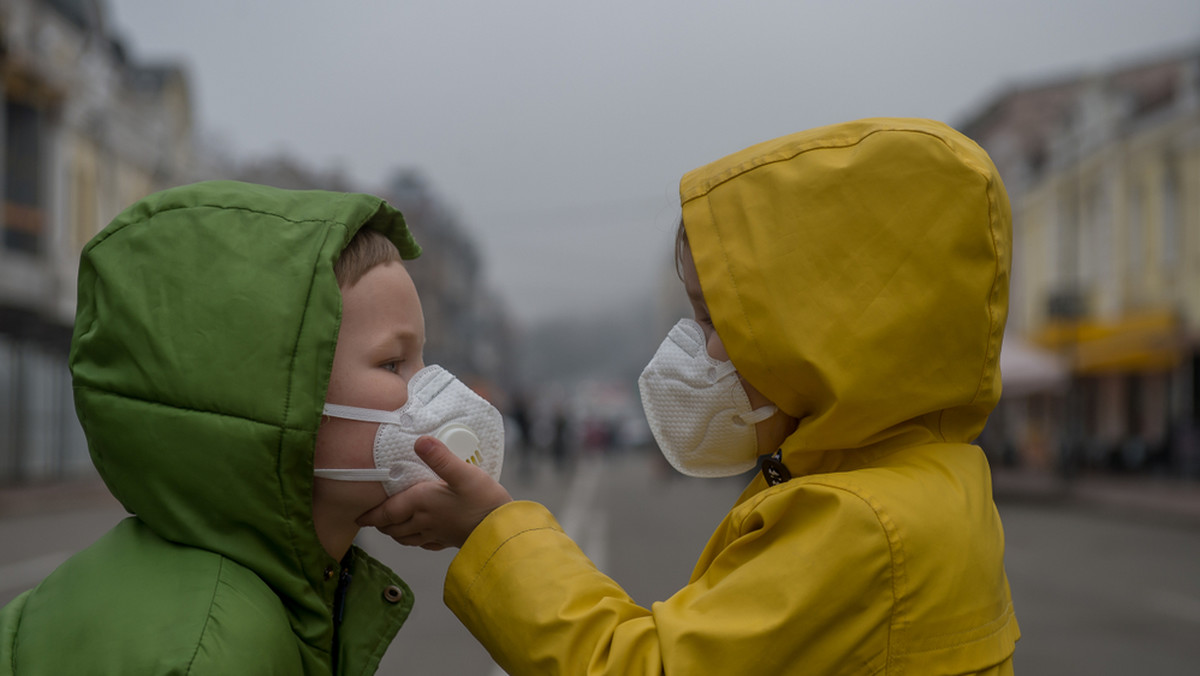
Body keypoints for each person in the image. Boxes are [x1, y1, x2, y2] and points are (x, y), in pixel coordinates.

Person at [359, 118, 1021, 674]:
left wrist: (488, 530)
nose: (704, 351)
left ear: (828, 334)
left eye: (715, 320)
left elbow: (637, 667)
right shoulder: (936, 480)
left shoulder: (863, 524)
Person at [0, 181, 427, 674]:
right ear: (273, 391)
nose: (431, 387)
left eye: (423, 359)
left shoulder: (262, 592)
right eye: (394, 364)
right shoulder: (206, 651)